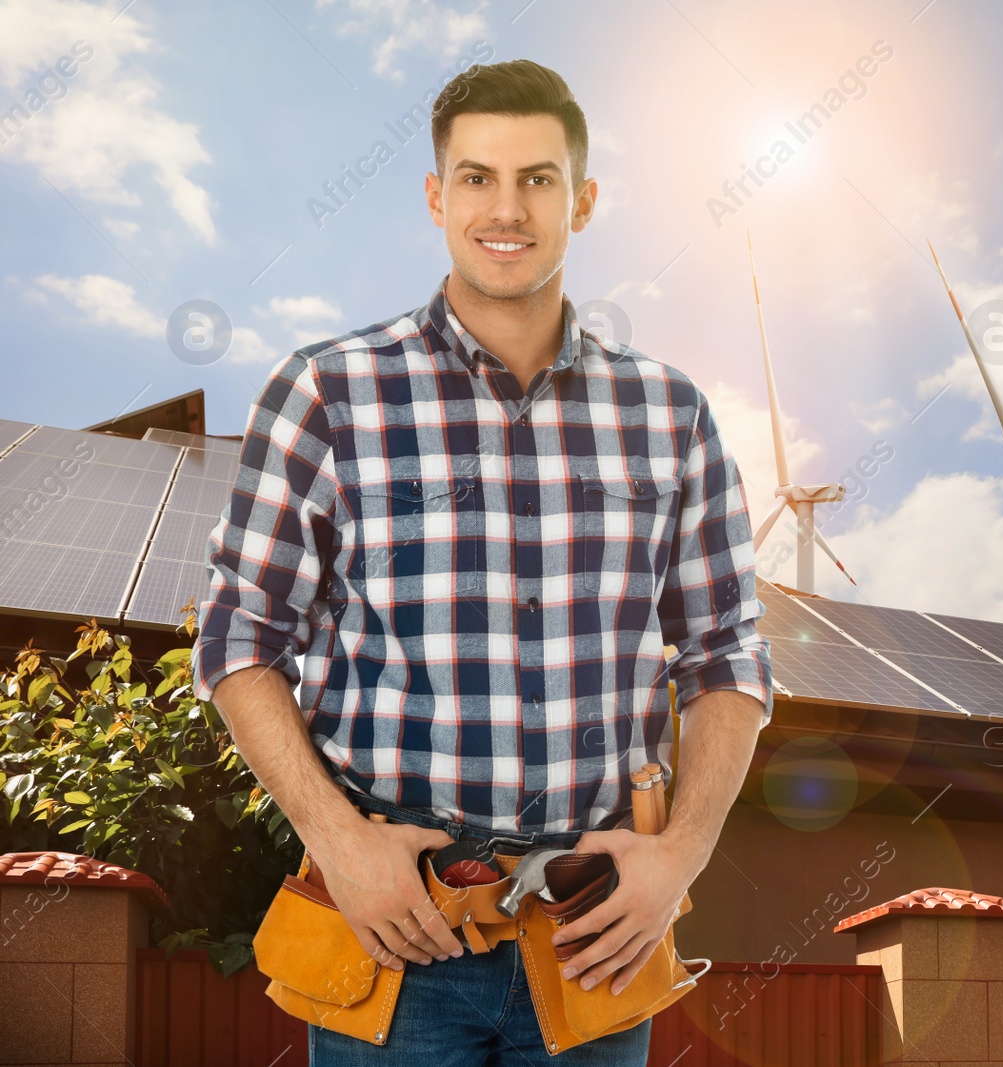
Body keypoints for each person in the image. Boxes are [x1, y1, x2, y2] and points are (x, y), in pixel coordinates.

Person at [194, 58, 771, 1064]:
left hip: (596, 940)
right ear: (436, 195)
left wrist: (680, 854)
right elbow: (241, 636)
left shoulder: (670, 415)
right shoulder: (330, 393)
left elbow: (727, 652)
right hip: (397, 931)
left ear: (582, 201)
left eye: (538, 179)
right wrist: (339, 840)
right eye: (477, 177)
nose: (507, 208)